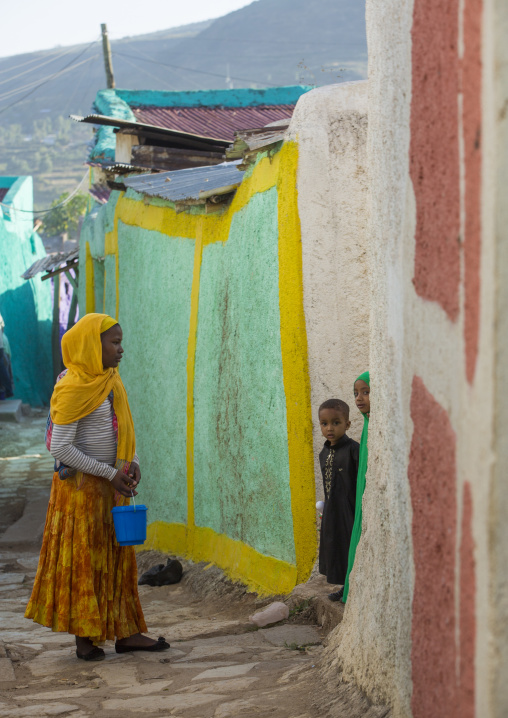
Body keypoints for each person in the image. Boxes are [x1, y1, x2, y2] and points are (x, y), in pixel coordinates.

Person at [25, 313, 170, 661]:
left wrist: (132, 462)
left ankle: (128, 632)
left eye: (121, 341)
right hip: (80, 493)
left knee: (119, 560)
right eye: (114, 342)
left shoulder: (110, 380)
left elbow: (124, 427)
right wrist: (107, 474)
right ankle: (85, 639)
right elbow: (60, 447)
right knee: (85, 561)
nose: (121, 349)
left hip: (112, 488)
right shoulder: (74, 386)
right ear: (93, 345)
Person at [318, 399, 359, 602]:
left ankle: (354, 585)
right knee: (336, 547)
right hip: (332, 510)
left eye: (336, 422)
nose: (329, 428)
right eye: (324, 423)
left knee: (350, 546)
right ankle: (346, 586)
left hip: (349, 510)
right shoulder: (323, 453)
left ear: (347, 424)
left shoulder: (354, 450)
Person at [342, 371, 370, 604]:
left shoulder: (374, 427)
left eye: (366, 392)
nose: (359, 398)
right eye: (356, 394)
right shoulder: (367, 427)